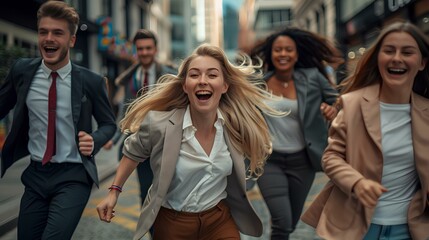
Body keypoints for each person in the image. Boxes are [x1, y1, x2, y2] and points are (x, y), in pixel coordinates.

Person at [96, 44, 281, 240]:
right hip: (173, 223)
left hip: (219, 219)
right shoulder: (159, 124)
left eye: (212, 75)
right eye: (194, 75)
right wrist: (113, 192)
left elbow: (250, 159)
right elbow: (132, 153)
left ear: (225, 85)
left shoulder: (235, 125)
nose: (202, 81)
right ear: (185, 85)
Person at [301, 21, 429, 240]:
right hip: (357, 227)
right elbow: (331, 157)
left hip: (411, 228)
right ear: (378, 58)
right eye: (389, 51)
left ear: (422, 62)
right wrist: (357, 182)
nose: (397, 58)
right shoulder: (353, 104)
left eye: (407, 52)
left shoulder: (426, 111)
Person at [0, 1, 116, 239]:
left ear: (71, 40)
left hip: (73, 176)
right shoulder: (22, 71)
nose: (48, 38)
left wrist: (94, 140)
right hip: (35, 174)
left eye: (57, 33)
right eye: (43, 32)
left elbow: (109, 124)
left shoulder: (91, 81)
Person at [250, 27, 343, 239]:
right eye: (278, 50)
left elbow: (337, 100)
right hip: (268, 161)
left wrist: (333, 109)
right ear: (271, 54)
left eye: (288, 50)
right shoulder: (259, 84)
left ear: (297, 53)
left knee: (290, 223)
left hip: (302, 161)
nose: (283, 54)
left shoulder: (312, 78)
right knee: (281, 221)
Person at [103, 29, 176, 206]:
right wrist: (113, 139)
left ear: (155, 50)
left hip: (165, 144)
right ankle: (153, 232)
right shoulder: (130, 78)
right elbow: (125, 113)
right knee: (146, 193)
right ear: (136, 50)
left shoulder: (169, 76)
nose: (144, 52)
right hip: (140, 145)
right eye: (140, 48)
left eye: (148, 48)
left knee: (169, 191)